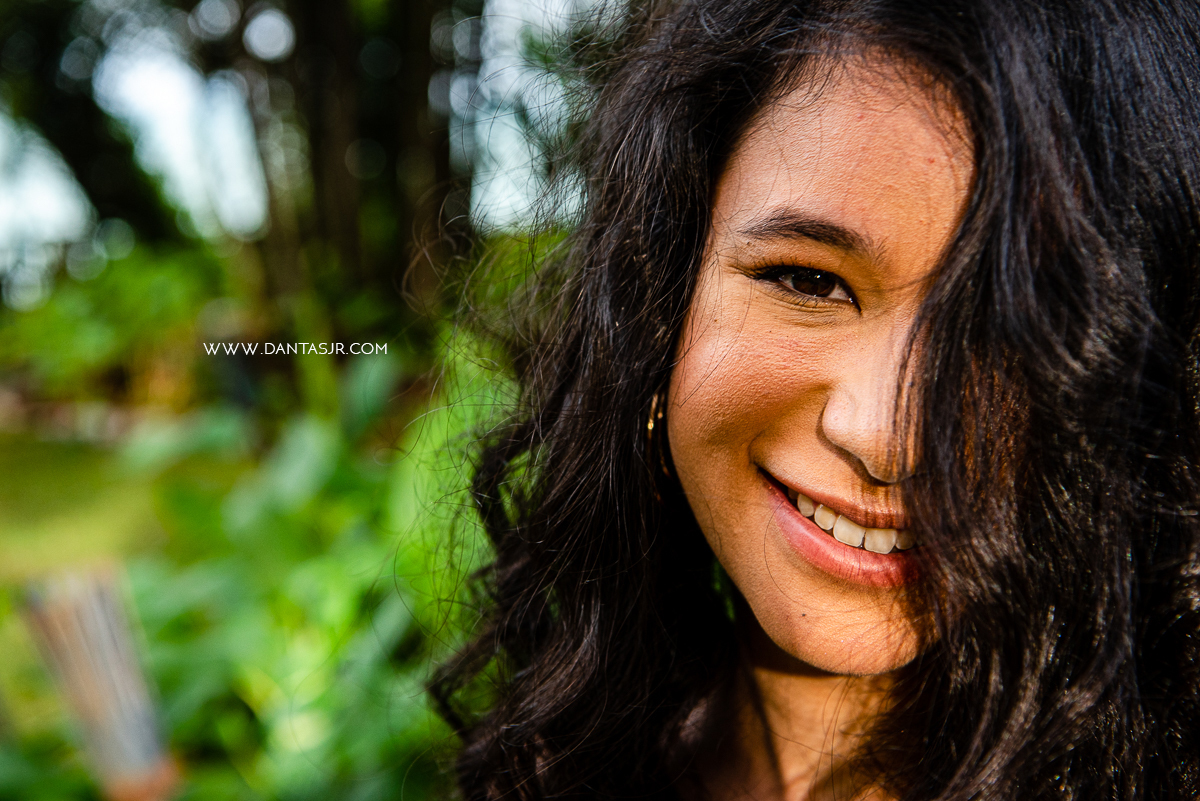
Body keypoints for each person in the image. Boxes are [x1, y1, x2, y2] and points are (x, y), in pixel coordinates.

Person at [431, 1, 1200, 799]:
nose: (886, 436)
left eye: (1011, 326)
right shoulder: (563, 758)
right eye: (810, 281)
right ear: (659, 301)